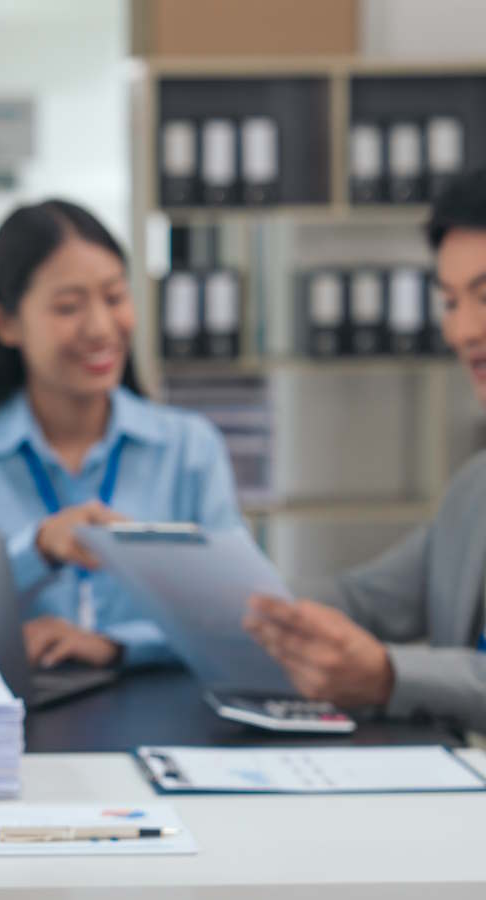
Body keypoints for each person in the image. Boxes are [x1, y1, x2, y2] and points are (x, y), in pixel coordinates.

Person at [0, 199, 243, 672]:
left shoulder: (188, 449)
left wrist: (119, 645)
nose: (100, 328)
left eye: (115, 297)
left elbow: (239, 612)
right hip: (15, 720)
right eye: (68, 307)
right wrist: (37, 549)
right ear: (5, 322)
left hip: (166, 715)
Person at [244, 168, 486, 735]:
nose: (462, 331)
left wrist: (389, 675)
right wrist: (216, 590)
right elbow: (365, 600)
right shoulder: (477, 487)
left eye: (485, 296)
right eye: (449, 302)